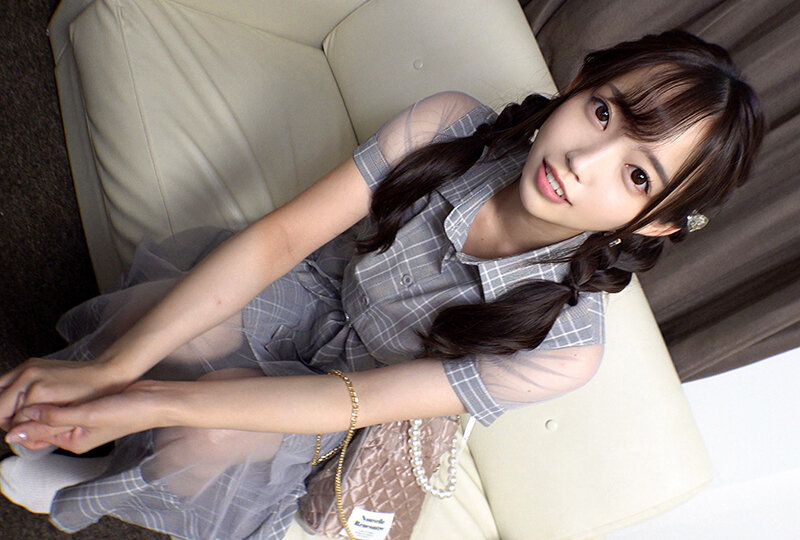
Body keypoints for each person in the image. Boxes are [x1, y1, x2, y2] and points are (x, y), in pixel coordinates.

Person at [0, 30, 763, 539]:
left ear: (656, 224)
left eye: (636, 176)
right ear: (578, 85)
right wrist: (113, 368)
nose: (583, 162)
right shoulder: (451, 125)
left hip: (361, 389)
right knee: (165, 320)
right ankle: (81, 409)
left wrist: (148, 398)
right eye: (602, 112)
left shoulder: (564, 349)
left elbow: (350, 401)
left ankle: (96, 466)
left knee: (206, 434)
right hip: (319, 288)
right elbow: (281, 240)